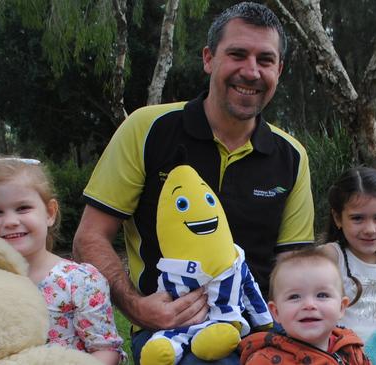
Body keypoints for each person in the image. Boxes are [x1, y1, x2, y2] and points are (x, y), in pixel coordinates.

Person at [72, 2, 314, 364]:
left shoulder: (291, 155)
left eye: (265, 60)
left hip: (260, 330)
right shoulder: (148, 128)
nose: (251, 71)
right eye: (237, 54)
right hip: (172, 333)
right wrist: (136, 306)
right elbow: (89, 237)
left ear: (279, 69)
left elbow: (293, 263)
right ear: (208, 58)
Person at [0, 157, 125, 365]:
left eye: (23, 208)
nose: (11, 222)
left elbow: (106, 351)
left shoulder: (80, 282)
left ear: (50, 213)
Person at [240, 247, 370, 364]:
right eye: (294, 297)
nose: (309, 305)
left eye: (322, 295)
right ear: (276, 312)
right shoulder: (265, 361)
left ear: (341, 307)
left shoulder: (351, 348)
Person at [318, 166, 376, 341]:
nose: (370, 229)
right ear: (338, 218)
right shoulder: (332, 256)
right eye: (357, 218)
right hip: (338, 353)